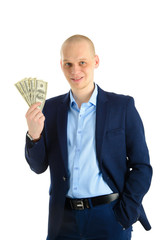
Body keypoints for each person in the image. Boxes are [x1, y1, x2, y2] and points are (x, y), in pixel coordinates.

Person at [25, 34, 152, 240]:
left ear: (96, 61)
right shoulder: (50, 109)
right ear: (61, 65)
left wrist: (125, 213)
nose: (75, 71)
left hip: (110, 216)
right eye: (68, 64)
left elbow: (142, 167)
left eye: (82, 62)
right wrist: (34, 135)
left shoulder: (122, 107)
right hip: (62, 221)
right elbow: (38, 166)